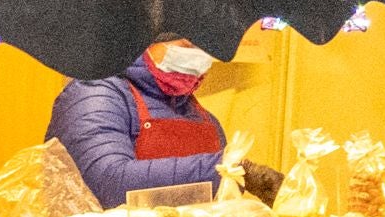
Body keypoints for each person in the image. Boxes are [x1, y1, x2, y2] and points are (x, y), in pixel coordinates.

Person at [50, 36, 278, 206]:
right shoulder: (95, 94)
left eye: (206, 49)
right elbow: (107, 184)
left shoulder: (205, 118)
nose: (198, 58)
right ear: (143, 41)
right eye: (188, 47)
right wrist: (229, 171)